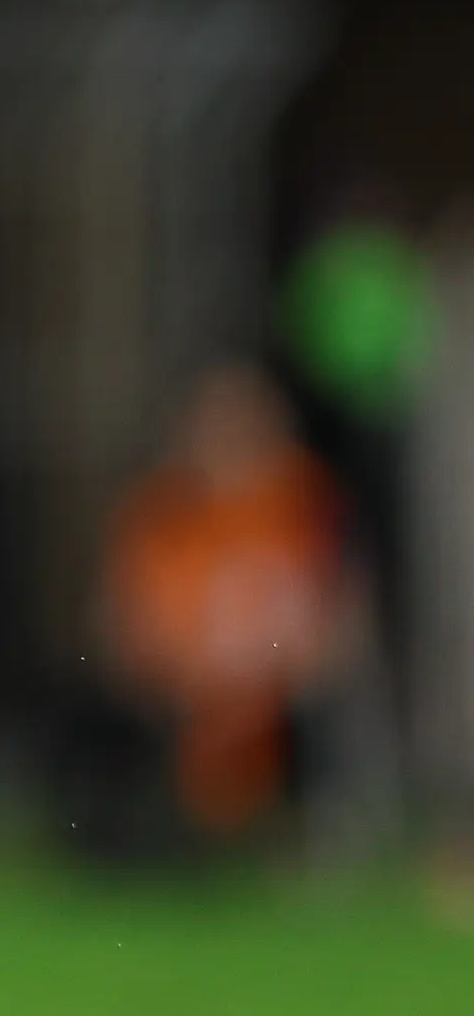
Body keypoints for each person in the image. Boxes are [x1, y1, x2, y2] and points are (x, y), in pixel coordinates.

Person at [101, 360, 368, 841]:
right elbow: (131, 617)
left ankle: (305, 833)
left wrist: (273, 669)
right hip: (185, 689)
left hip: (279, 685)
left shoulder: (305, 502)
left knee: (318, 712)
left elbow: (339, 610)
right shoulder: (164, 510)